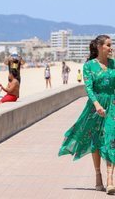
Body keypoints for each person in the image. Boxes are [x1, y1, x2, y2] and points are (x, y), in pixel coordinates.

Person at [58, 35, 115, 194]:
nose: (111, 48)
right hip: (95, 107)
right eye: (108, 45)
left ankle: (110, 179)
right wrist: (96, 105)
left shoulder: (114, 64)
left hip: (112, 106)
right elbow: (89, 88)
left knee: (111, 139)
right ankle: (98, 175)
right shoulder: (89, 66)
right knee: (96, 141)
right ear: (99, 46)